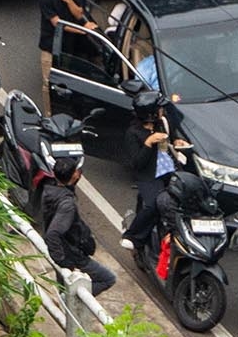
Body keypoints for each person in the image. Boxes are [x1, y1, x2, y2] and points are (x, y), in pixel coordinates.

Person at [122, 92, 187, 260]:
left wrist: (177, 142)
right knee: (154, 204)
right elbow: (137, 164)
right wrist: (148, 143)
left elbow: (171, 139)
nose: (161, 111)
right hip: (149, 176)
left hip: (168, 170)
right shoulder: (133, 133)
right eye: (158, 109)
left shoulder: (162, 124)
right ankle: (132, 236)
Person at [38, 157, 114, 296]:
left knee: (63, 282)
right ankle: (69, 299)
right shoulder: (67, 205)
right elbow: (53, 233)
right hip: (72, 254)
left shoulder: (50, 190)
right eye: (77, 171)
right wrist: (63, 261)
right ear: (74, 175)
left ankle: (64, 304)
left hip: (64, 248)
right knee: (108, 279)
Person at [35, 0, 94, 108]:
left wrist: (69, 0)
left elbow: (79, 14)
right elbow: (58, 24)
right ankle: (49, 113)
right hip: (51, 46)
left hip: (70, 45)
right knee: (48, 83)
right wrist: (82, 30)